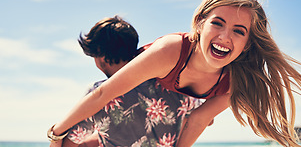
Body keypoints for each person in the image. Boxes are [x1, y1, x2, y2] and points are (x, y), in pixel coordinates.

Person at [49, 0, 301, 147]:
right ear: (199, 23)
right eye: (217, 23)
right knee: (89, 111)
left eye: (239, 31)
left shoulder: (235, 80)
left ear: (248, 43)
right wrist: (55, 134)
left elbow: (196, 121)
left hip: (166, 123)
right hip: (129, 98)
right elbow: (103, 94)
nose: (224, 37)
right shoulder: (171, 50)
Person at [56, 16, 201, 147]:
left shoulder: (97, 95)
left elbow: (71, 141)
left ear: (100, 54)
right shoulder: (167, 82)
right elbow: (201, 117)